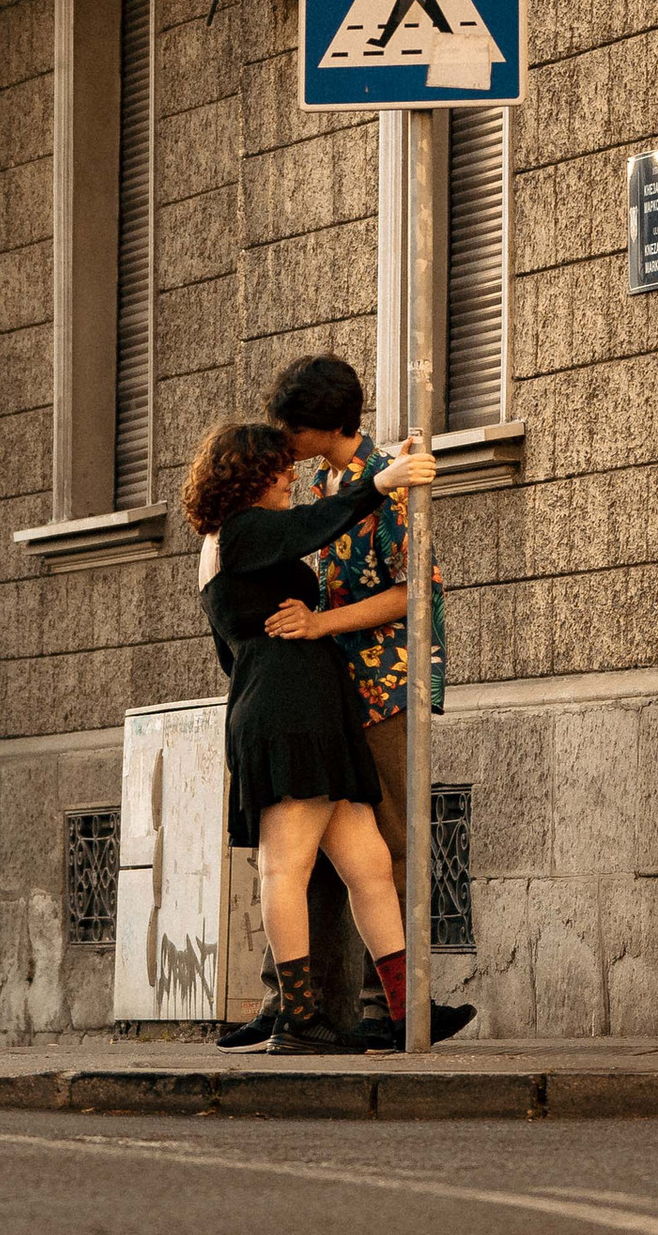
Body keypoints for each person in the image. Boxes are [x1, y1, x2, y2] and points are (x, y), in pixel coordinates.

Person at [183, 418, 437, 1054]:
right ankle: (300, 1021)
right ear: (250, 477)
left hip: (293, 703)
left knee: (370, 865)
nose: (290, 476)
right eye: (279, 468)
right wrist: (384, 479)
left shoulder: (221, 544)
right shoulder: (241, 530)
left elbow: (227, 650)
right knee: (286, 866)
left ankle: (406, 1014)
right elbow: (315, 526)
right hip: (290, 706)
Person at [263, 351, 472, 1050]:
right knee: (324, 853)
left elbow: (415, 591)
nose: (283, 435)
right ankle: (306, 1007)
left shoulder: (398, 485)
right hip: (328, 693)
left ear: (323, 424)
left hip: (385, 687)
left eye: (292, 423)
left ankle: (392, 1010)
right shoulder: (321, 480)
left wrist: (320, 623)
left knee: (391, 844)